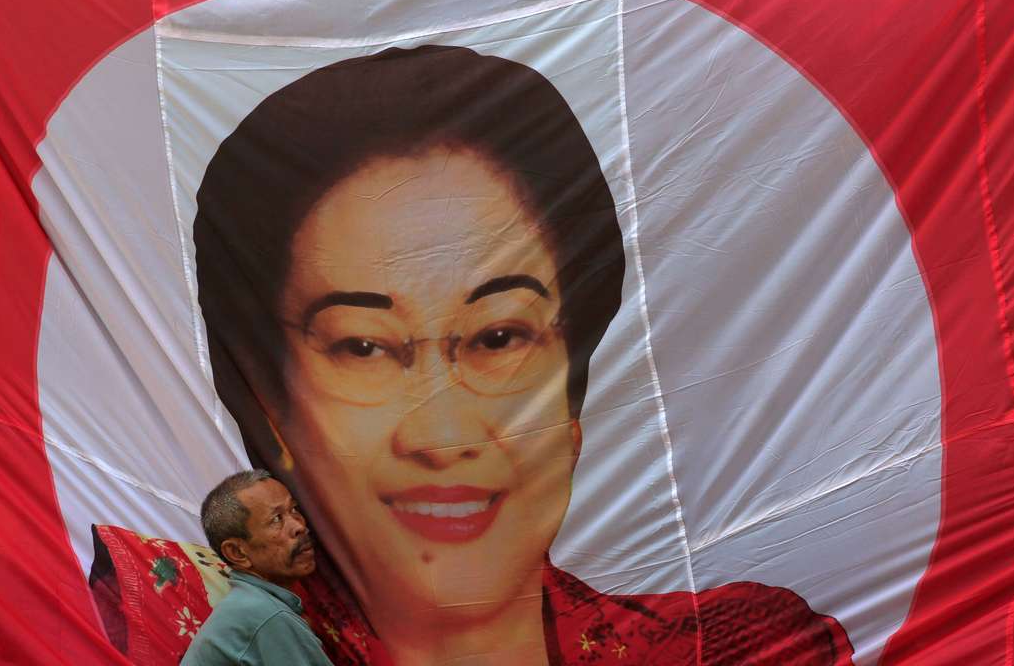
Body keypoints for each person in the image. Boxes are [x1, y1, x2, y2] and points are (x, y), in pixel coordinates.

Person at [194, 45, 853, 665]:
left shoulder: (732, 647)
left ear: (571, 392)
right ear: (271, 411)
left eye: (498, 337)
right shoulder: (256, 640)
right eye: (364, 346)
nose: (443, 433)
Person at [181, 470, 334, 666]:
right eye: (277, 519)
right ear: (237, 552)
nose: (298, 526)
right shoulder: (266, 614)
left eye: (294, 509)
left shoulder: (253, 605)